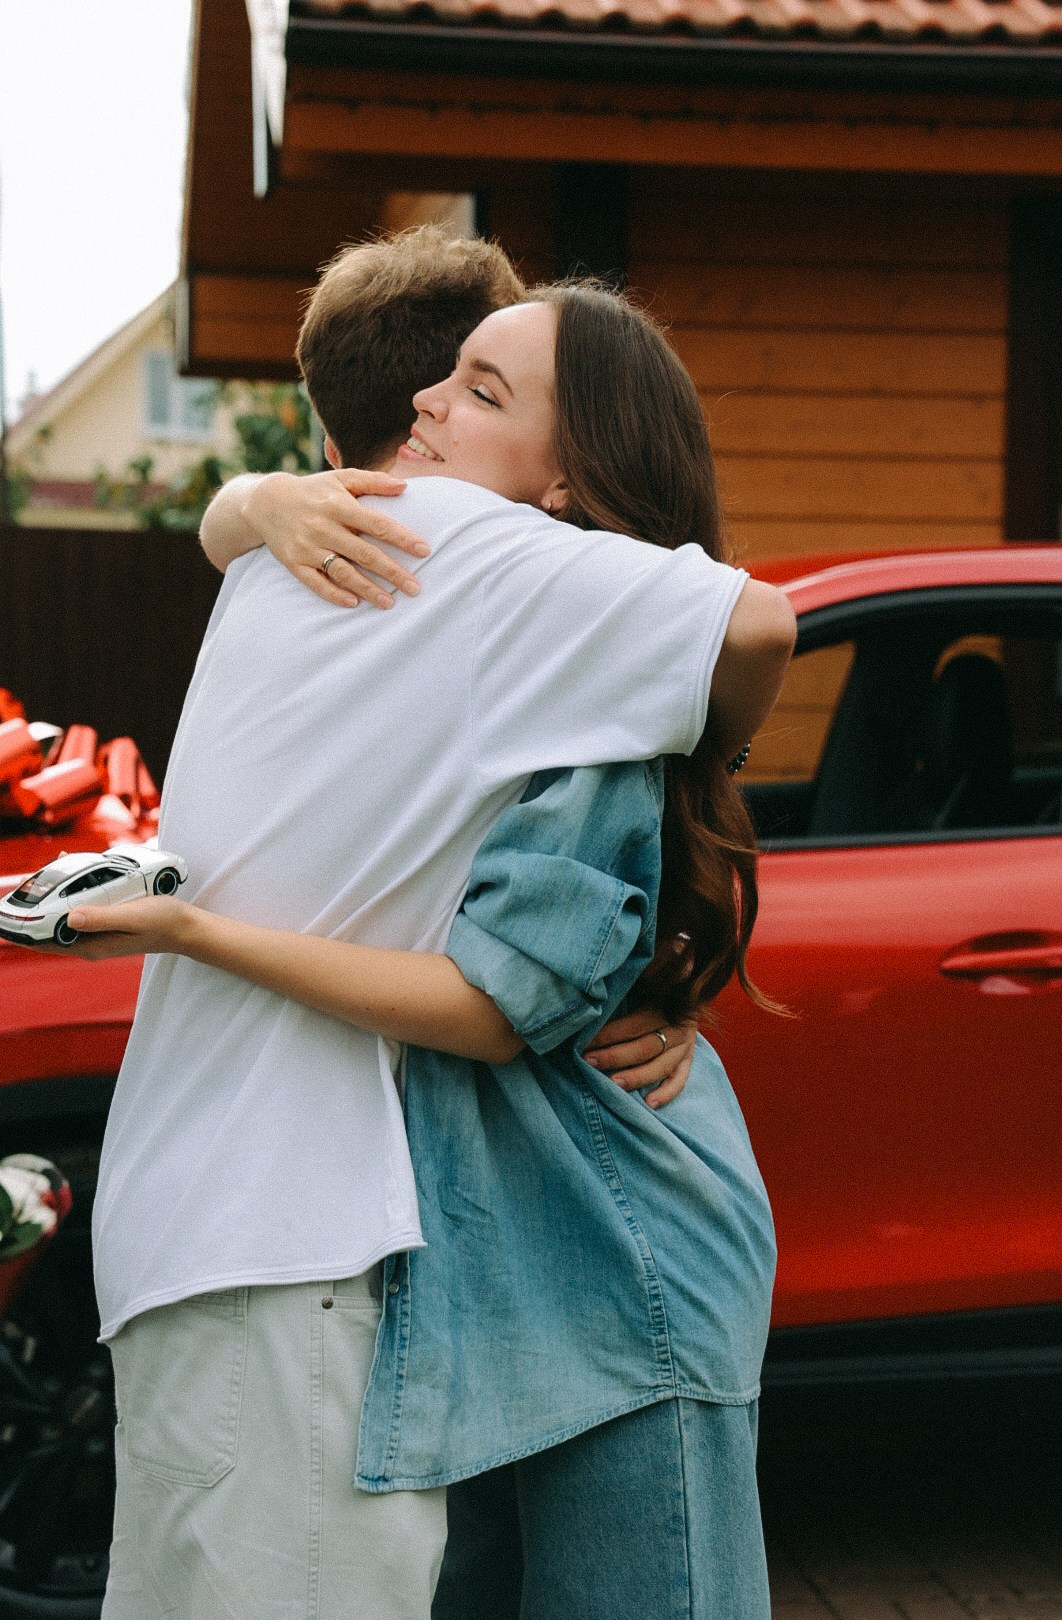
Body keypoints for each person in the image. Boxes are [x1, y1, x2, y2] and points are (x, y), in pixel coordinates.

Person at [55, 234, 794, 1619]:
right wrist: (255, 496)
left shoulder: (547, 653)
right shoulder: (449, 602)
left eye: (484, 392)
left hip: (625, 1245)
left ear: (568, 474)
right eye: (445, 381)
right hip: (508, 1264)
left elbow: (499, 1005)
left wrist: (199, 933)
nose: (432, 417)